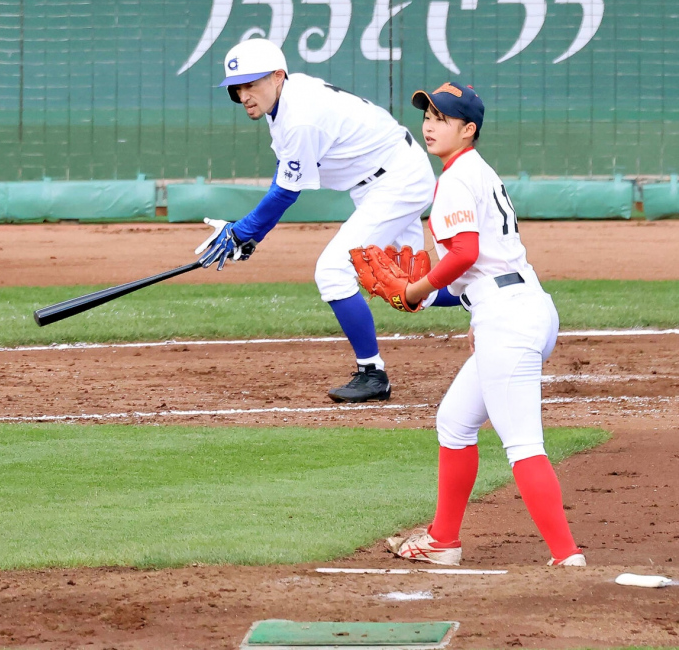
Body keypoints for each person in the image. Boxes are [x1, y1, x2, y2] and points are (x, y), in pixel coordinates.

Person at [380, 82, 585, 567]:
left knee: (522, 443)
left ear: (467, 129)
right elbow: (478, 271)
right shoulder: (476, 171)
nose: (429, 125)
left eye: (442, 118)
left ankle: (567, 557)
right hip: (520, 306)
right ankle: (443, 541)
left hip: (508, 319)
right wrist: (431, 298)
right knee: (454, 422)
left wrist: (415, 289)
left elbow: (467, 253)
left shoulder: (455, 178)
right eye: (426, 115)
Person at [195, 37, 447, 403]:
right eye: (236, 89)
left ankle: (372, 374)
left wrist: (244, 232)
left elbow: (286, 192)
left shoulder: (298, 116)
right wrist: (248, 236)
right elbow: (286, 174)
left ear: (278, 76)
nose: (244, 95)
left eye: (252, 84)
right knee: (406, 287)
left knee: (332, 271)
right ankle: (482, 296)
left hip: (397, 179)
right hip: (385, 178)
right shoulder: (283, 104)